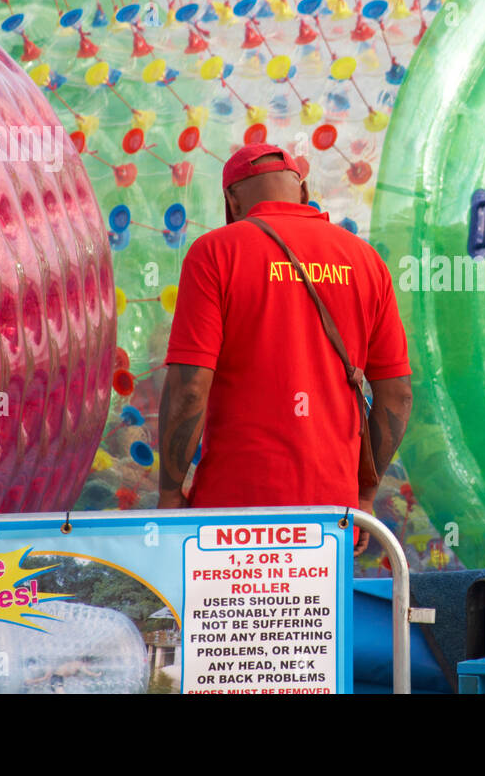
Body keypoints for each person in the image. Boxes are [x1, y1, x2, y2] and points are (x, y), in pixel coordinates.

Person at [156, 143, 412, 555]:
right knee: (318, 621)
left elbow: (189, 390)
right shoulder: (366, 261)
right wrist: (363, 495)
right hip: (334, 518)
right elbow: (397, 394)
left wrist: (170, 494)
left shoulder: (215, 253)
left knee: (230, 621)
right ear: (304, 192)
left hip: (231, 518)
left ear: (232, 200)